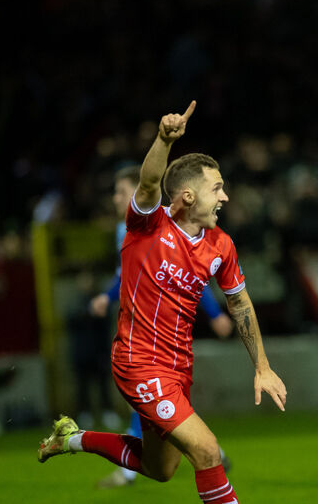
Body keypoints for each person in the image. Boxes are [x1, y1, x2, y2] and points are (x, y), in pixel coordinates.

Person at [38, 101, 287, 504]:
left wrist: (263, 366)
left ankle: (74, 439)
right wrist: (163, 140)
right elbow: (151, 183)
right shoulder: (148, 226)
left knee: (161, 469)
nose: (226, 196)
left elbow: (240, 304)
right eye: (217, 187)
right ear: (188, 196)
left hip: (178, 367)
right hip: (138, 362)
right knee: (207, 451)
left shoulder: (221, 245)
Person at [88, 165, 235, 488]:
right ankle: (207, 449)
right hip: (140, 342)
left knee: (161, 441)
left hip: (168, 341)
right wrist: (107, 294)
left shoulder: (164, 222)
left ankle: (204, 448)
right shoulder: (128, 229)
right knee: (152, 402)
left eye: (121, 191)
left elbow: (197, 274)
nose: (116, 198)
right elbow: (125, 273)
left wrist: (214, 314)